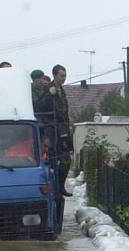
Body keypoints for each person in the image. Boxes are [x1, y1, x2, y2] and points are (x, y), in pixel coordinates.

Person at [47, 64, 73, 197]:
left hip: (62, 128)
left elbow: (65, 110)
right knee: (53, 160)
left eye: (65, 76)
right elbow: (42, 105)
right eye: (62, 76)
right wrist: (49, 94)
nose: (64, 78)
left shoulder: (62, 90)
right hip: (52, 129)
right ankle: (54, 187)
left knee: (66, 160)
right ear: (55, 75)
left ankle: (60, 186)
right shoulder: (49, 89)